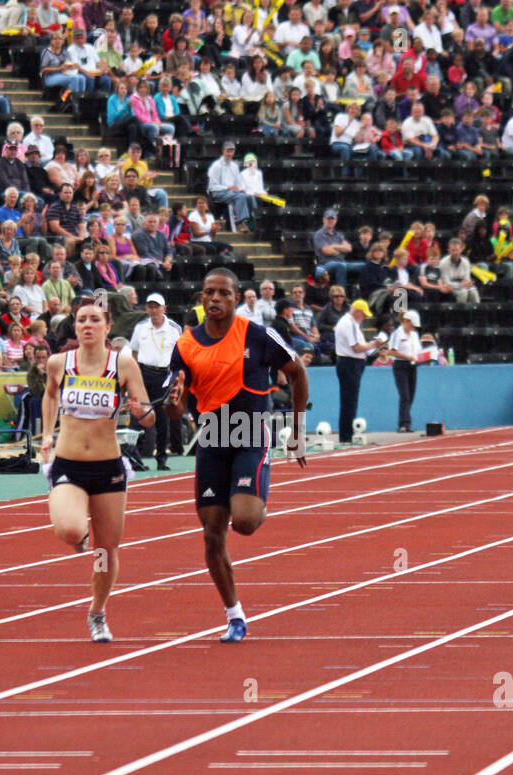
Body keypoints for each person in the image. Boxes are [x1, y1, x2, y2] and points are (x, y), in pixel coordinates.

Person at [165, 268, 310, 643]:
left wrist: (298, 430)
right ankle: (234, 616)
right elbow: (174, 411)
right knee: (213, 536)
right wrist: (174, 401)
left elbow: (297, 371)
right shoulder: (184, 345)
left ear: (235, 298)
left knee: (244, 522)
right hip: (211, 439)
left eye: (223, 293)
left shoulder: (257, 335)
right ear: (201, 298)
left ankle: (254, 496)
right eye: (208, 292)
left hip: (249, 434)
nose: (214, 299)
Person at [39, 299, 155, 643]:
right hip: (68, 463)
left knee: (106, 551)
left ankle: (97, 612)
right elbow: (49, 396)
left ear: (107, 326)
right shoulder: (59, 363)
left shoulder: (123, 364)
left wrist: (139, 411)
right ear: (74, 327)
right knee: (70, 530)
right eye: (81, 320)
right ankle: (81, 538)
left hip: (108, 468)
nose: (87, 325)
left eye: (94, 320)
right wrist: (48, 432)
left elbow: (148, 417)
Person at [128, 292, 182, 470]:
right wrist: (135, 377)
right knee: (138, 416)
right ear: (146, 308)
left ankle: (161, 458)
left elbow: (180, 354)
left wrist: (175, 377)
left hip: (164, 375)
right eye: (150, 306)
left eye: (157, 306)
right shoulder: (140, 327)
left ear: (164, 309)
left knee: (162, 419)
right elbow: (134, 352)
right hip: (143, 373)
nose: (154, 310)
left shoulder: (174, 328)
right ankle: (135, 458)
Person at [334, 299, 382, 444]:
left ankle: (347, 433)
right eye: (364, 315)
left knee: (349, 400)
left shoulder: (350, 323)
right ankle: (346, 435)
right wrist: (374, 344)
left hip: (351, 362)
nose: (365, 318)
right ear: (357, 312)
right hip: (350, 363)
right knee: (349, 400)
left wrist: (372, 347)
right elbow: (356, 348)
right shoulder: (349, 323)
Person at [389, 309, 421, 432]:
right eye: (412, 325)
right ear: (406, 322)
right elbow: (392, 351)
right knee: (405, 395)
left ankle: (406, 421)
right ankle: (404, 424)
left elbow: (417, 350)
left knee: (411, 395)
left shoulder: (414, 335)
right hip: (401, 365)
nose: (413, 328)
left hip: (413, 365)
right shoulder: (397, 333)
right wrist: (407, 356)